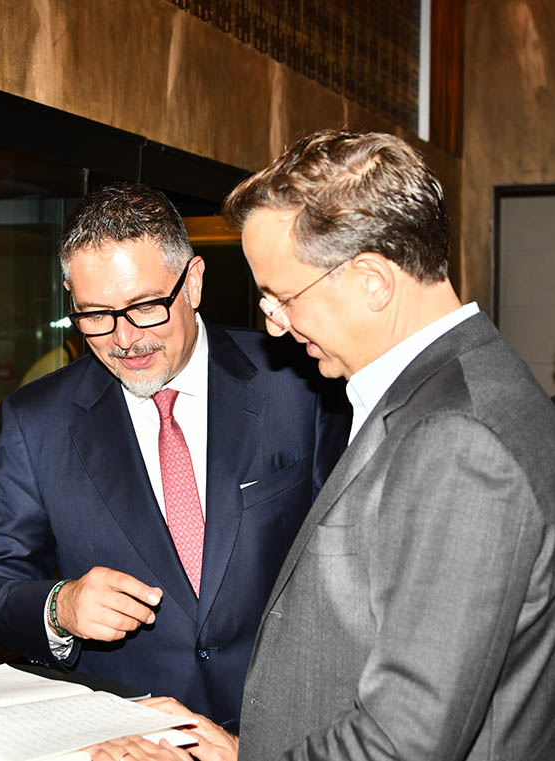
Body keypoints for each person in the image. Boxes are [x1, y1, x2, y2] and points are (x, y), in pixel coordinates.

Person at [88, 131, 555, 761]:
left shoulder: (457, 439)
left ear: (372, 280)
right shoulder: (465, 387)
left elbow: (405, 741)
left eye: (285, 297)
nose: (274, 324)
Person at [0, 182, 350, 731]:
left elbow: (353, 570)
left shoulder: (300, 383)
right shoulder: (38, 420)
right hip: (126, 736)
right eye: (96, 315)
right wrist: (60, 607)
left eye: (145, 307)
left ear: (193, 283)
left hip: (284, 729)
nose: (124, 339)